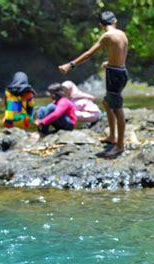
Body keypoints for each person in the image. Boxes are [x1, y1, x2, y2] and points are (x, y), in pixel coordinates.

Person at [59, 11, 128, 158]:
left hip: (114, 75)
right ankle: (112, 137)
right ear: (114, 21)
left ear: (101, 25)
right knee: (107, 103)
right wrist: (110, 63)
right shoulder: (122, 34)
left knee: (117, 108)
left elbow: (90, 53)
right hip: (120, 71)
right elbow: (121, 54)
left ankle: (120, 145)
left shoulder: (107, 36)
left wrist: (70, 65)